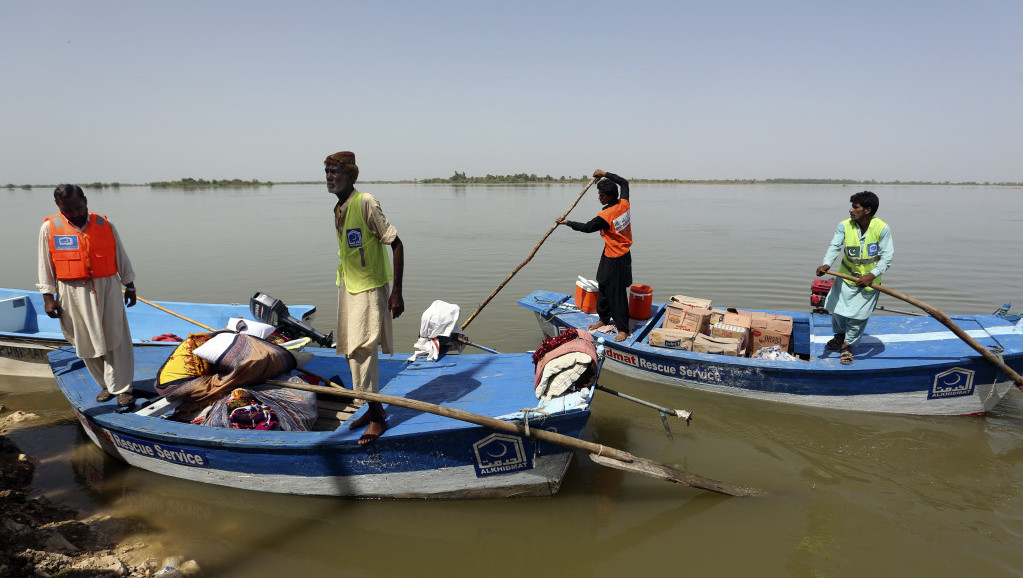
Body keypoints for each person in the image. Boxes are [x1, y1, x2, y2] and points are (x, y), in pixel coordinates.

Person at [325, 151, 405, 444]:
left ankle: (376, 417)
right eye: (327, 172)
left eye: (335, 172)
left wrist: (396, 292)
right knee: (349, 349)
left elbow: (396, 244)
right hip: (348, 286)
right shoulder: (339, 208)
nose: (330, 178)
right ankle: (373, 407)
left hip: (370, 288)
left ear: (351, 175)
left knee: (363, 349)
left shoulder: (366, 202)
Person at [37, 184, 137, 406]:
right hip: (71, 291)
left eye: (78, 207)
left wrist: (129, 285)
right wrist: (48, 297)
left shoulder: (105, 223)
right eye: (68, 210)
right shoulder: (49, 227)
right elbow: (44, 264)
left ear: (85, 200)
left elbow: (120, 254)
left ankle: (122, 388)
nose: (75, 214)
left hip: (107, 286)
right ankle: (105, 385)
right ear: (58, 206)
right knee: (84, 339)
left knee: (116, 336)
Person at [815, 190, 894, 365]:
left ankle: (847, 347)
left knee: (858, 317)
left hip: (868, 283)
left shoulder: (882, 228)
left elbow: (887, 257)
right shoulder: (845, 225)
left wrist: (871, 275)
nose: (851, 210)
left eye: (855, 207)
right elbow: (835, 246)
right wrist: (826, 264)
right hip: (845, 277)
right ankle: (839, 335)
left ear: (867, 210)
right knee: (838, 310)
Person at [556, 169, 632, 342]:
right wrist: (605, 173)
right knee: (603, 283)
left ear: (611, 196)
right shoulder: (624, 203)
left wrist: (567, 222)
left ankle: (623, 329)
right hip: (609, 253)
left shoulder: (606, 216)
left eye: (602, 195)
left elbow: (587, 227)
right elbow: (624, 183)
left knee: (617, 292)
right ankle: (603, 318)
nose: (599, 197)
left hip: (618, 257)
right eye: (599, 194)